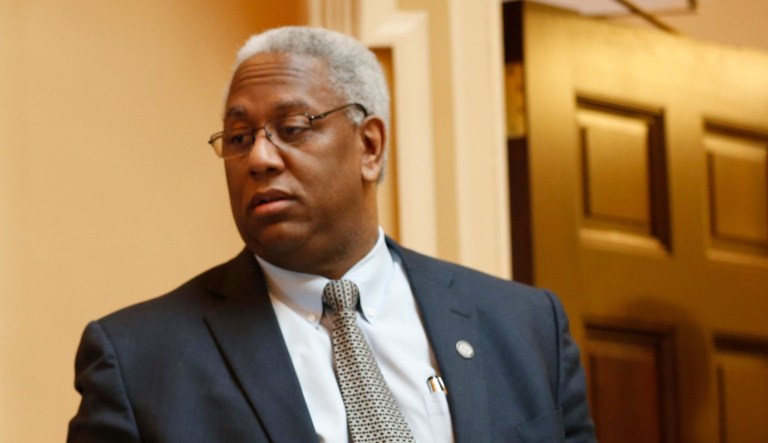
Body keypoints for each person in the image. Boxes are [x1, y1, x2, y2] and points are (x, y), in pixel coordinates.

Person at [68, 26, 596, 443]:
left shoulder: (525, 330)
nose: (259, 157)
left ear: (369, 146)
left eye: (293, 128)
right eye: (238, 136)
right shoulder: (140, 361)